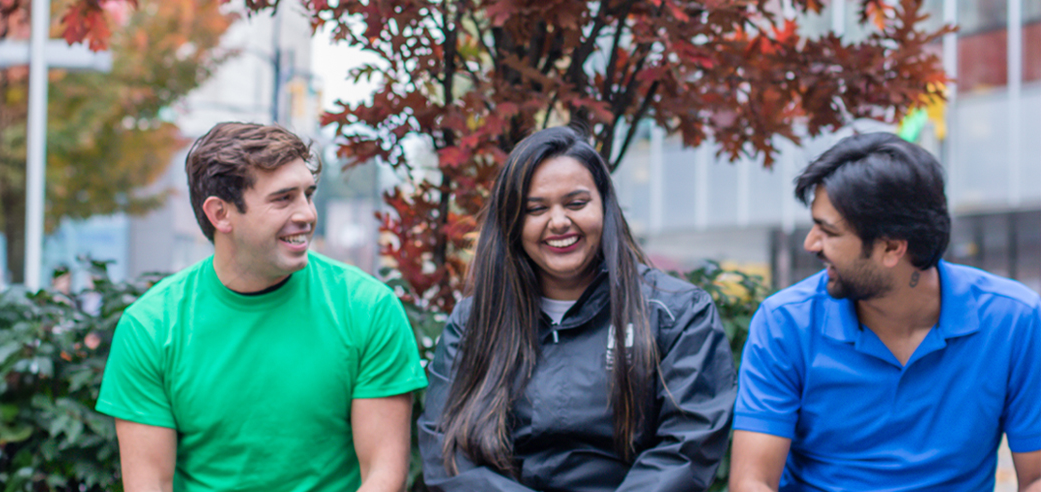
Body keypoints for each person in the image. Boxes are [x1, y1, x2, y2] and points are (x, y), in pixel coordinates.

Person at [96, 123, 428, 492]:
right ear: (220, 214)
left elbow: (384, 475)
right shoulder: (152, 327)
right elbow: (149, 485)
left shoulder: (368, 308)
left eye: (308, 194)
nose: (307, 214)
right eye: (283, 198)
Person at [417, 126, 736, 491]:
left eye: (576, 203)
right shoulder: (475, 321)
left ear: (605, 206)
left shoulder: (677, 313)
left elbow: (687, 446)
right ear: (512, 223)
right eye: (536, 209)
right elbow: (446, 445)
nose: (558, 222)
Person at [729, 132, 1041, 492]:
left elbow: (1035, 476)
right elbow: (752, 483)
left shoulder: (1014, 320)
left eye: (829, 232)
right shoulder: (784, 323)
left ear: (892, 247)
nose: (810, 243)